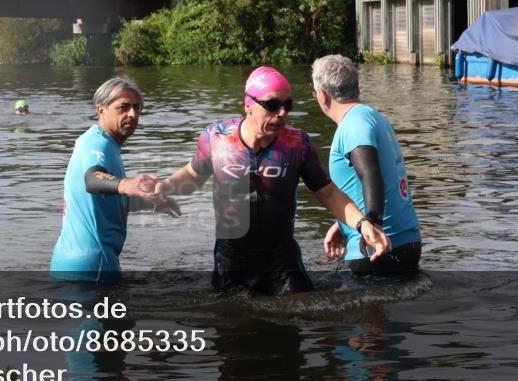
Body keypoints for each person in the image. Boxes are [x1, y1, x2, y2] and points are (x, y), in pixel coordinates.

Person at [156, 66, 390, 296]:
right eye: (272, 105)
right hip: (231, 260)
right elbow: (194, 174)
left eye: (287, 105)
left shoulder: (297, 144)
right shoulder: (216, 138)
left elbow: (328, 193)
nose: (282, 113)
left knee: (303, 314)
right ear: (249, 104)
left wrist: (363, 223)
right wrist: (164, 187)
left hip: (281, 259)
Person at [50, 77, 180, 283]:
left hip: (71, 261)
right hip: (94, 265)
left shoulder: (100, 143)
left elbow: (104, 199)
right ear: (101, 110)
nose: (133, 114)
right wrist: (128, 184)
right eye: (124, 107)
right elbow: (92, 180)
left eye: (137, 108)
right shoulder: (98, 145)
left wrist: (149, 201)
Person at [311, 55, 422, 275]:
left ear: (323, 96)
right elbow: (379, 178)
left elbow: (370, 173)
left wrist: (373, 223)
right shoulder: (371, 117)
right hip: (405, 242)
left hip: (376, 249)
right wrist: (345, 223)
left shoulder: (354, 125)